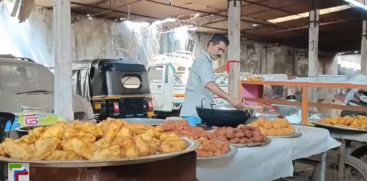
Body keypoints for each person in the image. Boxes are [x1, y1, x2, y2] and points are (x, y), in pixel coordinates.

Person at [180, 34, 243, 126]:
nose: (221, 54)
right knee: (191, 139)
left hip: (199, 112)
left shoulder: (207, 61)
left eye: (223, 51)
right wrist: (231, 99)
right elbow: (209, 84)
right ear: (210, 44)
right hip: (192, 114)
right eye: (219, 49)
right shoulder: (203, 61)